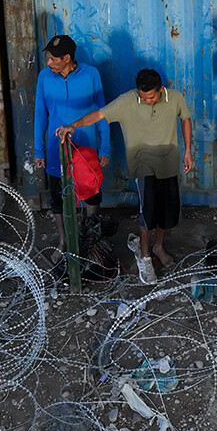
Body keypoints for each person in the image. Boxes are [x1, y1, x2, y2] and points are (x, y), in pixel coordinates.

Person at [57, 69, 194, 279]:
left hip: (168, 162)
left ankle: (158, 246)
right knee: (147, 210)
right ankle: (145, 256)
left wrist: (187, 151)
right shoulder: (127, 101)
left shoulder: (175, 97)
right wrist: (73, 125)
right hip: (141, 163)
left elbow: (185, 119)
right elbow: (99, 114)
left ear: (161, 90)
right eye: (142, 97)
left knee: (166, 211)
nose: (146, 101)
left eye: (151, 97)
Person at [33, 35, 110, 256]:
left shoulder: (91, 74)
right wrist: (39, 150)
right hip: (57, 149)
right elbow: (41, 115)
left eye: (52, 59)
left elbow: (102, 112)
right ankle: (63, 240)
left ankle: (90, 241)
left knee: (91, 194)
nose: (49, 63)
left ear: (67, 58)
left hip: (86, 148)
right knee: (57, 197)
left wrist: (105, 147)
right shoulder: (45, 77)